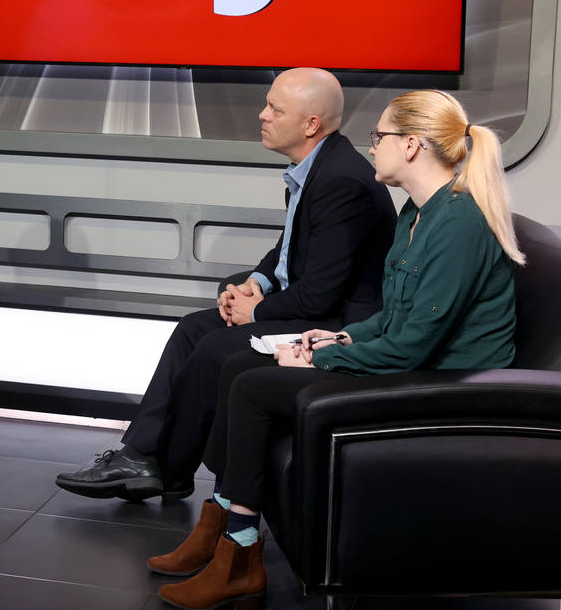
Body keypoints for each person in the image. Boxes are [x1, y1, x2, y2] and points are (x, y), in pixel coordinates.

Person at [151, 90, 523, 610]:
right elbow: (396, 320)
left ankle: (237, 551)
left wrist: (320, 359)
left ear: (412, 145)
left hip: (441, 387)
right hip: (415, 364)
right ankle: (225, 532)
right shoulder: (417, 214)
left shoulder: (459, 222)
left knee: (253, 386)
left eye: (381, 137)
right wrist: (341, 338)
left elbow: (414, 346)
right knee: (238, 365)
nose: (372, 148)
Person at [56, 68, 396, 501]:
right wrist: (255, 284)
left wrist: (254, 312)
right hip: (310, 306)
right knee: (192, 329)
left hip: (333, 324)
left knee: (215, 348)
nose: (263, 115)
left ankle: (164, 468)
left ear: (311, 124)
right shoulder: (314, 167)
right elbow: (288, 250)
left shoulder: (341, 181)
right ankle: (141, 457)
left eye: (276, 108)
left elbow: (321, 295)